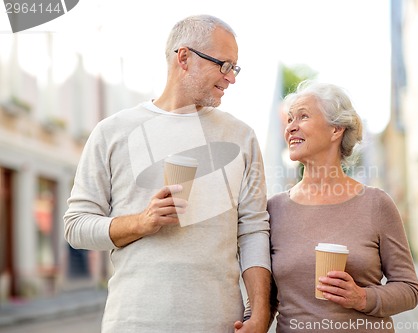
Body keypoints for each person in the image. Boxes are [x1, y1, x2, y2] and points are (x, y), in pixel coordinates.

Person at [64, 15, 271, 333]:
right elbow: (76, 226)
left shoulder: (241, 137)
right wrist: (142, 222)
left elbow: (254, 231)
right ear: (184, 57)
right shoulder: (112, 132)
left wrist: (259, 313)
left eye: (235, 67)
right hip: (134, 322)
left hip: (219, 323)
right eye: (224, 65)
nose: (231, 78)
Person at [264, 80, 418, 332]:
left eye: (302, 117)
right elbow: (265, 298)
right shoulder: (274, 209)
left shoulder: (376, 204)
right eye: (290, 119)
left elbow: (409, 288)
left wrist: (362, 297)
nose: (291, 127)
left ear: (336, 130)